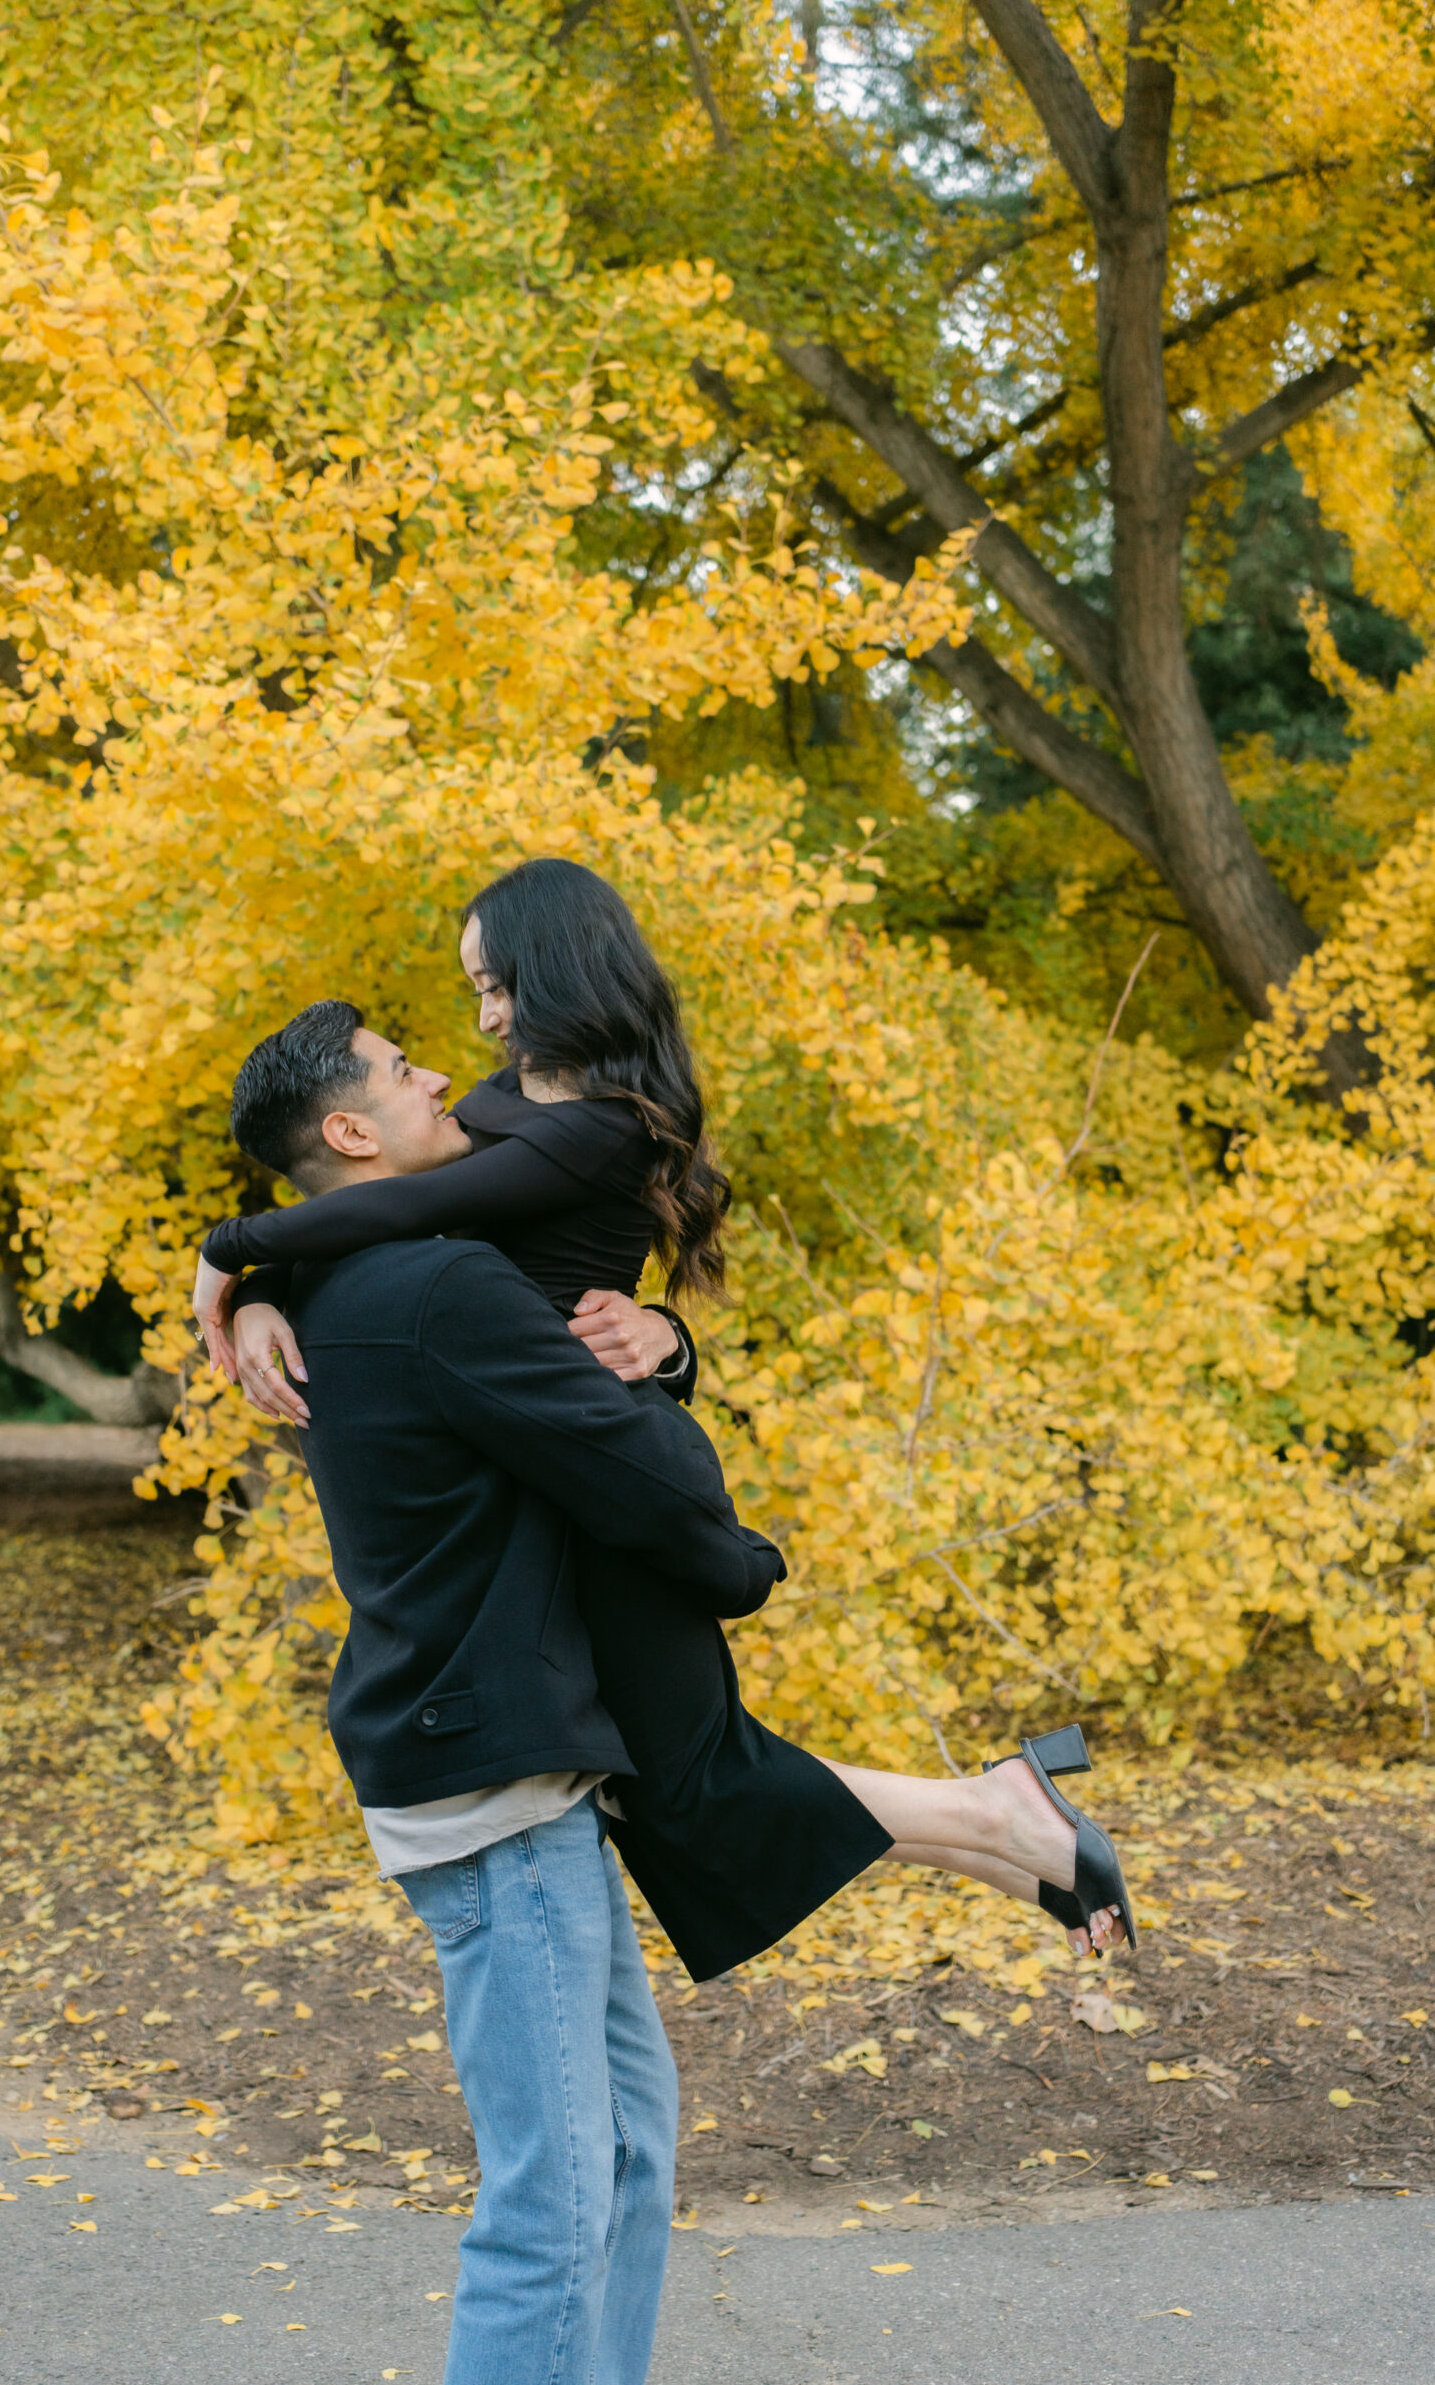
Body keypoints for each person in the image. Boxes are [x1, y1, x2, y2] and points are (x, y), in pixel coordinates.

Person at [198, 862, 1132, 1976]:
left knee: (692, 1784)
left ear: (556, 970)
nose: (480, 1023)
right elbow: (375, 1214)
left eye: (494, 987)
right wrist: (260, 1295)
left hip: (610, 1472)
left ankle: (1003, 1820)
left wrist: (230, 1248)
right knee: (676, 1792)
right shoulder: (504, 1104)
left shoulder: (596, 1126)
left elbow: (409, 1207)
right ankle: (1008, 1837)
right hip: (566, 1476)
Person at [203, 996, 783, 2385]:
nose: (447, 1071)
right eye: (406, 1073)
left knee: (627, 2153)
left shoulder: (362, 1271)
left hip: (508, 1768)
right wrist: (742, 1558)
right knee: (553, 2198)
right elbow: (633, 1474)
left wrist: (246, 1267)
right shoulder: (437, 1283)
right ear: (349, 1131)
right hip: (493, 1789)